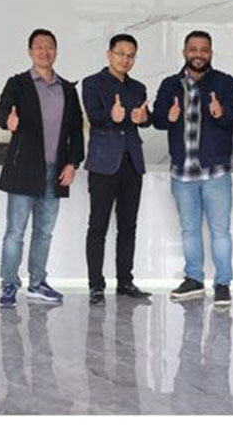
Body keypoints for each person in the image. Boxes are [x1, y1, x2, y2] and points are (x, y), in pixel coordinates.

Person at [0, 28, 84, 308]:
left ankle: (37, 283)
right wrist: (7, 121)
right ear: (30, 52)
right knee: (15, 232)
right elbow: (1, 112)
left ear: (56, 51)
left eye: (50, 46)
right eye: (39, 47)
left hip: (55, 172)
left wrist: (73, 163)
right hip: (24, 169)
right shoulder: (18, 84)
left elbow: (76, 130)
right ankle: (9, 284)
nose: (45, 51)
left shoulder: (67, 89)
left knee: (44, 231)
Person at [153, 31, 233, 306]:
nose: (198, 54)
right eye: (193, 49)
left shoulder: (225, 83)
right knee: (189, 230)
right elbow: (157, 120)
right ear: (184, 52)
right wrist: (168, 116)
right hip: (182, 173)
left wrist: (221, 113)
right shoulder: (170, 84)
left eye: (204, 49)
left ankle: (223, 283)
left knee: (220, 231)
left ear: (211, 53)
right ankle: (194, 279)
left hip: (215, 173)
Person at [81, 34, 152, 306]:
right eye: (121, 53)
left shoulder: (138, 88)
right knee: (97, 226)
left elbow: (146, 118)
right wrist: (111, 116)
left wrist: (143, 118)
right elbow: (93, 116)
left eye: (131, 55)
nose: (126, 59)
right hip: (103, 164)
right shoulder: (92, 83)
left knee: (128, 226)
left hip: (132, 164)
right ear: (109, 54)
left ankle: (125, 282)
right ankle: (96, 286)